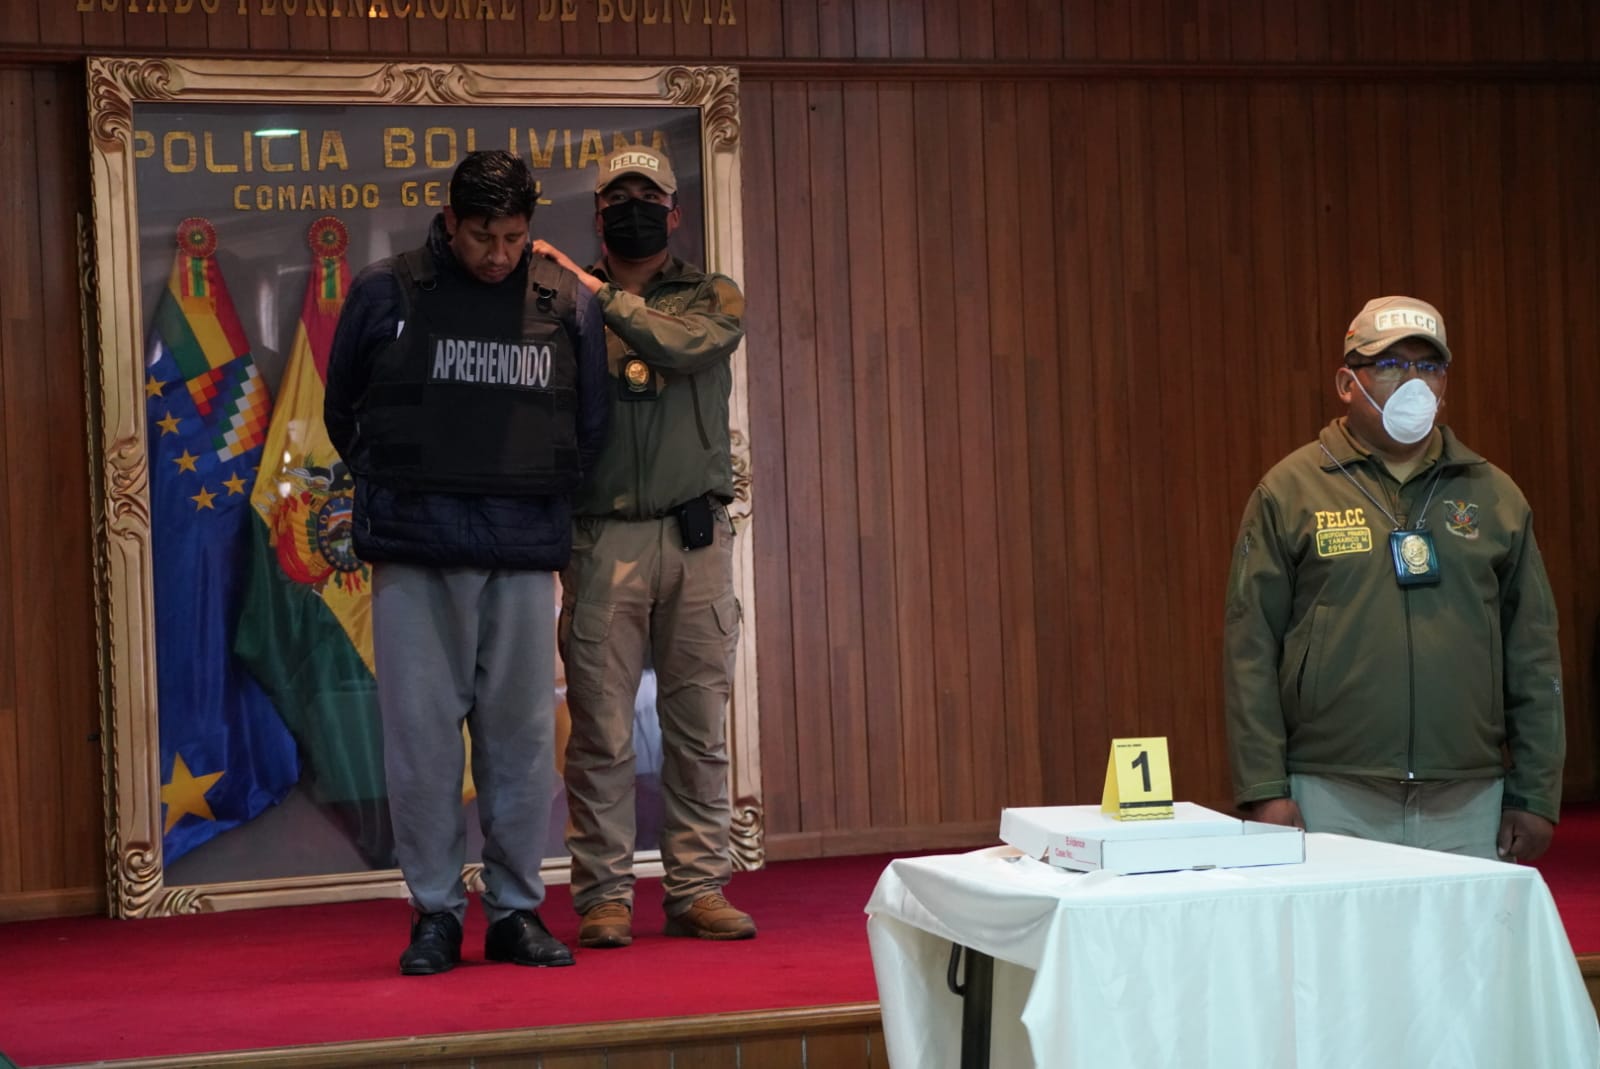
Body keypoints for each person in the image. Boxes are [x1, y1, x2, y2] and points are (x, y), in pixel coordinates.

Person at [324, 150, 609, 974]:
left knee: (521, 744)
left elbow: (590, 429)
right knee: (422, 747)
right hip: (416, 549)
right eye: (483, 236)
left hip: (521, 553)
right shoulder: (385, 292)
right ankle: (435, 914)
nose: (498, 254)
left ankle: (517, 911)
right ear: (450, 221)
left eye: (514, 237)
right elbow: (345, 413)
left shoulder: (566, 301)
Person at [1224, 295, 1565, 862]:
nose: (1413, 382)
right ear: (1346, 382)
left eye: (1428, 367)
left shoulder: (1495, 496)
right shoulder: (1289, 490)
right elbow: (1250, 649)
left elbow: (1533, 653)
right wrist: (1263, 787)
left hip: (1467, 798)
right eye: (1389, 365)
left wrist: (1535, 790)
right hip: (1330, 793)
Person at [528, 142, 754, 947]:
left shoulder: (711, 295)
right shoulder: (559, 301)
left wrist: (601, 296)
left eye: (648, 199)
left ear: (674, 211)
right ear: (597, 215)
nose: (634, 211)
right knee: (601, 732)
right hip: (600, 538)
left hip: (696, 538)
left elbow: (682, 347)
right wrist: (584, 293)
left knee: (698, 727)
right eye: (618, 200)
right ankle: (603, 896)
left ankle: (697, 888)